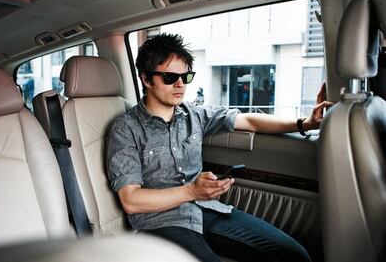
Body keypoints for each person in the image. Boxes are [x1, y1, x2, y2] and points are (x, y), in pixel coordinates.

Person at [107, 33, 332, 262]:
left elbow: (249, 121)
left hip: (207, 211)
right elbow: (131, 201)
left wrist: (304, 123)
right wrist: (191, 191)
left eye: (186, 76)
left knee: (294, 255)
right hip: (160, 224)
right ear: (146, 80)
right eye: (169, 77)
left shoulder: (194, 114)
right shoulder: (126, 129)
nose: (180, 84)